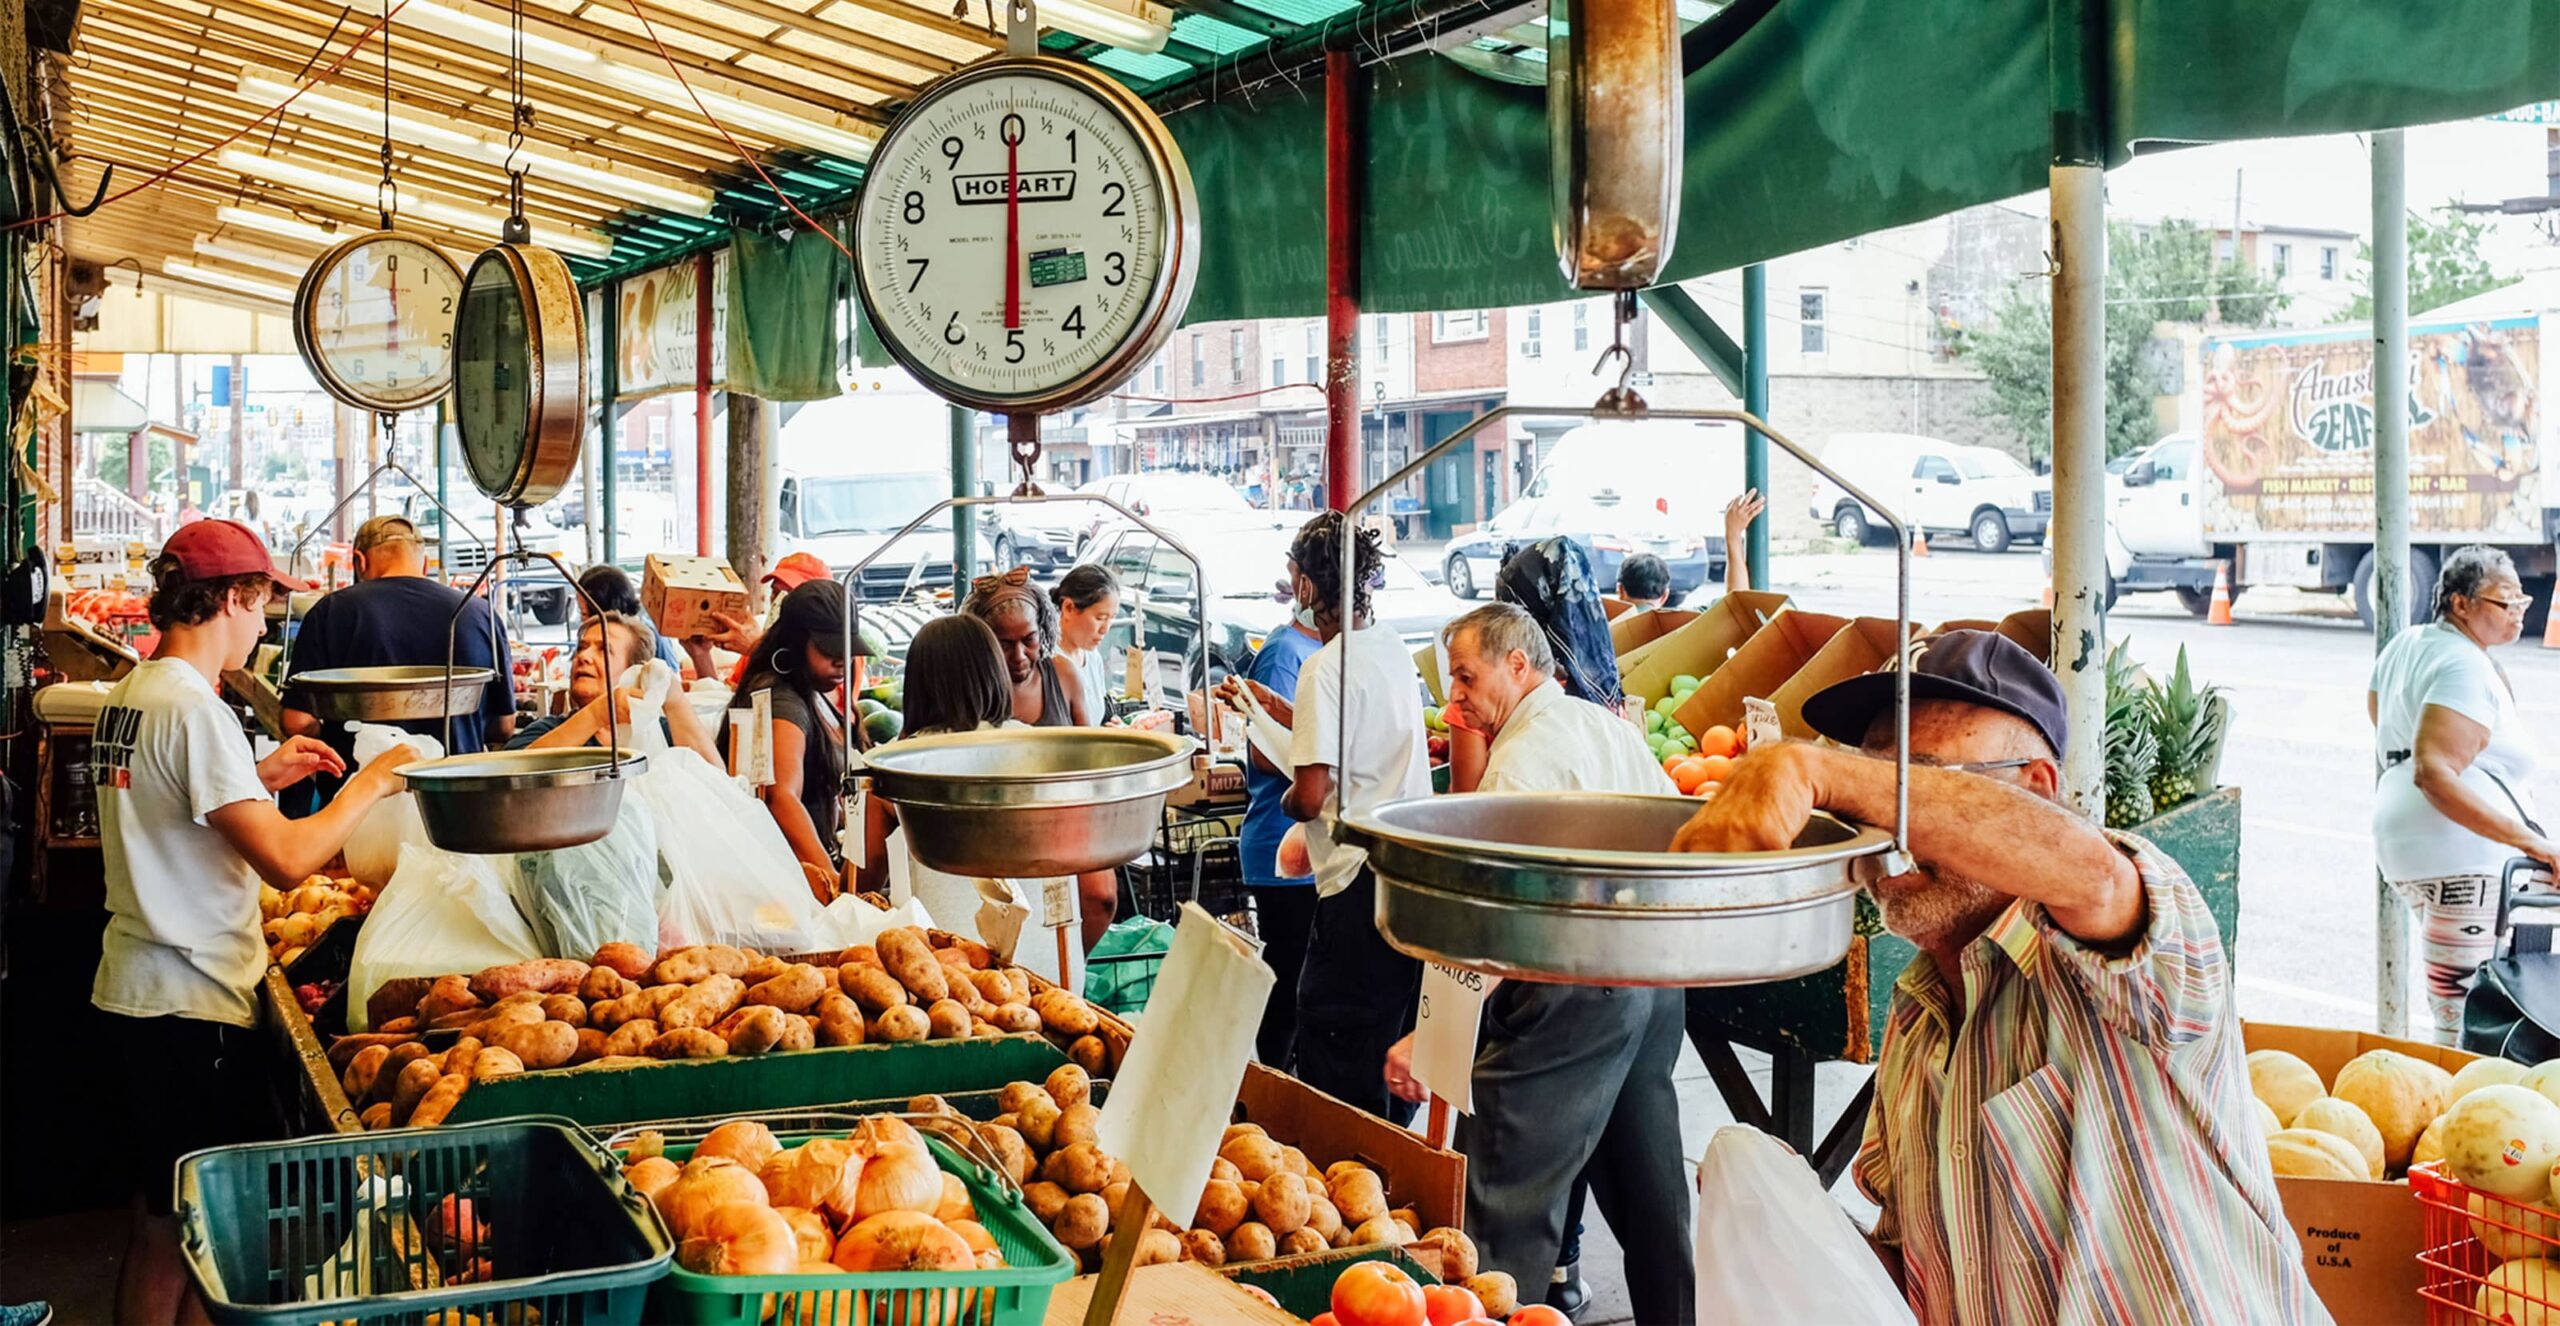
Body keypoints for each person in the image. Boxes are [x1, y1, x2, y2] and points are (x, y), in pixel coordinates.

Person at [1674, 630, 2322, 1323]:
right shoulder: (1916, 1023)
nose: (1884, 827)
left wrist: (1819, 772)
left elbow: (2093, 873)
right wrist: (1790, 1227)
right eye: (1874, 787)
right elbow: (1919, 1279)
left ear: (2038, 789)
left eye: (1922, 781)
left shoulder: (2136, 951)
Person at [94, 520, 421, 1326]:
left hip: (139, 989)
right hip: (191, 1005)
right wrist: (372, 787)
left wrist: (260, 774)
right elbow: (285, 860)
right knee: (211, 1242)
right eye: (261, 608)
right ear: (231, 597)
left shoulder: (137, 693)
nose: (263, 626)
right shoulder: (195, 710)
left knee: (159, 1228)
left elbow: (173, 808)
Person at [1383, 604, 1693, 1323]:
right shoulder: (1606, 727)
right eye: (1448, 680)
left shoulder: (1522, 763)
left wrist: (1433, 1038)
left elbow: (1500, 918)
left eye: (1466, 676)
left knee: (1502, 1202)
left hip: (1570, 990)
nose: (1453, 696)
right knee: (1651, 1191)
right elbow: (1687, 831)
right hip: (1651, 983)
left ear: (1518, 665)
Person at [1218, 512, 1432, 1121]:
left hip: (1353, 883)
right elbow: (1356, 744)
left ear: (1309, 587)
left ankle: (1348, 1174)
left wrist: (1290, 802)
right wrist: (1280, 714)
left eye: (1294, 577)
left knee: (1334, 1043)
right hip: (1403, 875)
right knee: (1383, 1038)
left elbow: (1311, 795)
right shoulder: (1390, 649)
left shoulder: (1324, 667)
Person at [2370, 545, 2552, 1043]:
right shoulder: (2464, 665)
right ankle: (2462, 1110)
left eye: (2521, 599)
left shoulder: (2406, 647)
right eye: (2504, 600)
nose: (2518, 609)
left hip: (2412, 852)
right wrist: (2535, 844)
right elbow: (2434, 770)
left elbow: (2386, 727)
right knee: (2465, 1021)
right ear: (2460, 603)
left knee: (2461, 1004)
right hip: (2464, 860)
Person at [282, 513, 515, 773]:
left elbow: (298, 722)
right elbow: (504, 726)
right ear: (424, 564)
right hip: (454, 795)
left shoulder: (330, 612)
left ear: (359, 561)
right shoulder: (479, 613)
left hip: (356, 797)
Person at [967, 565, 1117, 951]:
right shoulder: (973, 689)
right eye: (1004, 643)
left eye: (1029, 640)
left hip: (1068, 818)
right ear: (982, 642)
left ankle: (1069, 974)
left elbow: (1088, 758)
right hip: (998, 831)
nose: (1019, 655)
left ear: (1044, 630)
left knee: (1102, 897)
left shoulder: (1063, 675)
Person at [853, 615, 1019, 932]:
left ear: (917, 685)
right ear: (996, 672)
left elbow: (862, 886)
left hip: (949, 965)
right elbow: (1099, 894)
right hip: (1051, 971)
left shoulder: (894, 766)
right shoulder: (1040, 748)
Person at [1234, 561, 1324, 1066]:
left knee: (1304, 989)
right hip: (1280, 845)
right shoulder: (1284, 653)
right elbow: (1262, 751)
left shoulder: (1327, 652)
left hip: (1312, 850)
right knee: (1288, 991)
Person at [728, 580, 859, 899]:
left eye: (847, 649)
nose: (841, 661)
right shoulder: (780, 699)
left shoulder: (807, 689)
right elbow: (780, 796)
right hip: (788, 890)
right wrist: (835, 888)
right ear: (796, 643)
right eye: (829, 650)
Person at [509, 610, 719, 764]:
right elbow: (510, 772)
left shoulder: (664, 732)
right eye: (582, 648)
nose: (584, 657)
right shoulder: (549, 731)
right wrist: (596, 715)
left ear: (635, 671)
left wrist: (676, 702)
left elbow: (718, 787)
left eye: (604, 650)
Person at [679, 550, 830, 685]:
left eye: (791, 594)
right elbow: (730, 700)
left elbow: (813, 702)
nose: (780, 602)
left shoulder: (833, 653)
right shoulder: (765, 643)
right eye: (776, 593)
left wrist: (758, 648)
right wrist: (701, 655)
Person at [577, 563, 685, 671]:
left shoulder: (644, 635)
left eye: (584, 613)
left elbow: (672, 677)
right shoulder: (596, 638)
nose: (583, 621)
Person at [1051, 564, 1120, 725]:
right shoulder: (1049, 663)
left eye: (1112, 618)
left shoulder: (1093, 658)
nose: (1105, 629)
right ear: (1068, 608)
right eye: (1100, 618)